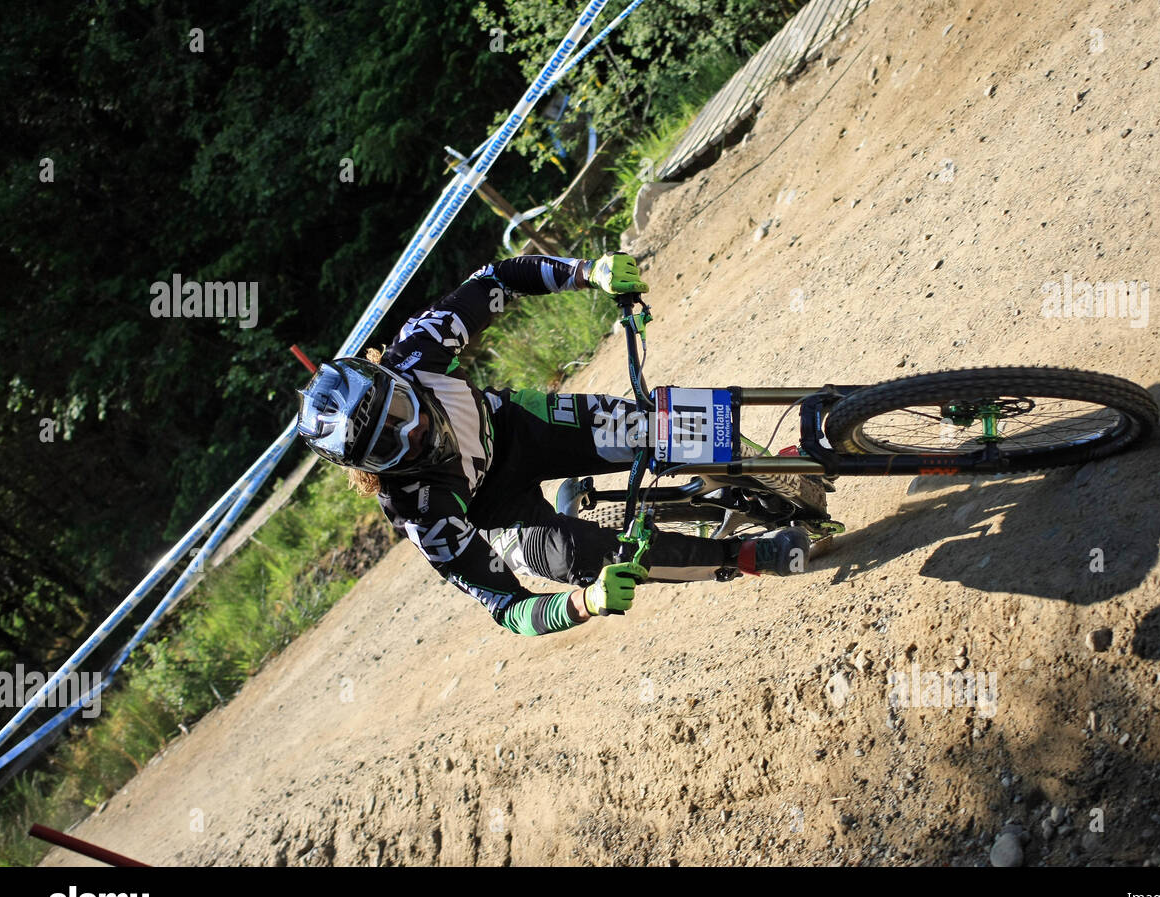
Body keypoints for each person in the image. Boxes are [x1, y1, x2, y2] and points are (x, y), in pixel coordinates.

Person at [295, 252, 808, 635]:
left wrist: (590, 272)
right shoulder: (422, 515)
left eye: (402, 413)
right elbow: (507, 608)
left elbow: (496, 279)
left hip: (521, 428)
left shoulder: (419, 349)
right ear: (369, 470)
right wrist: (585, 603)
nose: (414, 435)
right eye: (389, 447)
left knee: (659, 425)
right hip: (498, 515)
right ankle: (748, 557)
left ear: (395, 378)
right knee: (602, 561)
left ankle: (766, 468)